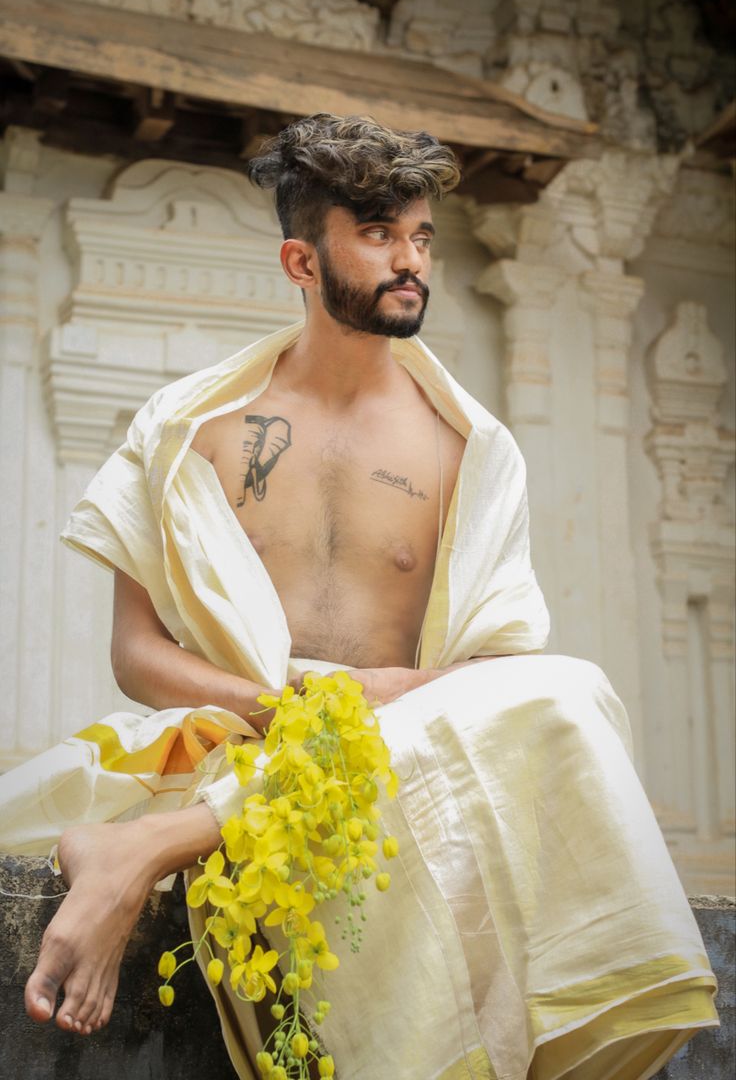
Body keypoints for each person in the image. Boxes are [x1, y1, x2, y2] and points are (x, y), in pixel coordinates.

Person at [2, 114, 717, 1079]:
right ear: (302, 260)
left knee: (567, 690)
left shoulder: (469, 446)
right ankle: (181, 826)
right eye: (379, 236)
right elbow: (136, 654)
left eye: (421, 238)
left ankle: (150, 848)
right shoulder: (189, 430)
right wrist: (288, 711)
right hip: (239, 741)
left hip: (406, 752)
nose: (411, 261)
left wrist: (363, 707)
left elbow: (494, 672)